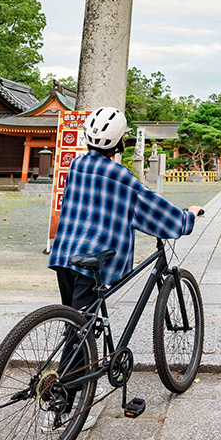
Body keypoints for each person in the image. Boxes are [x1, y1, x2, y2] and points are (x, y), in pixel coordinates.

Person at [49, 106, 204, 312]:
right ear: (120, 142)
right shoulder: (121, 176)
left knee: (75, 322)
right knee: (81, 330)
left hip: (65, 253)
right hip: (93, 257)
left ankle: (79, 341)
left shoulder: (77, 165)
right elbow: (155, 210)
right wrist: (188, 216)